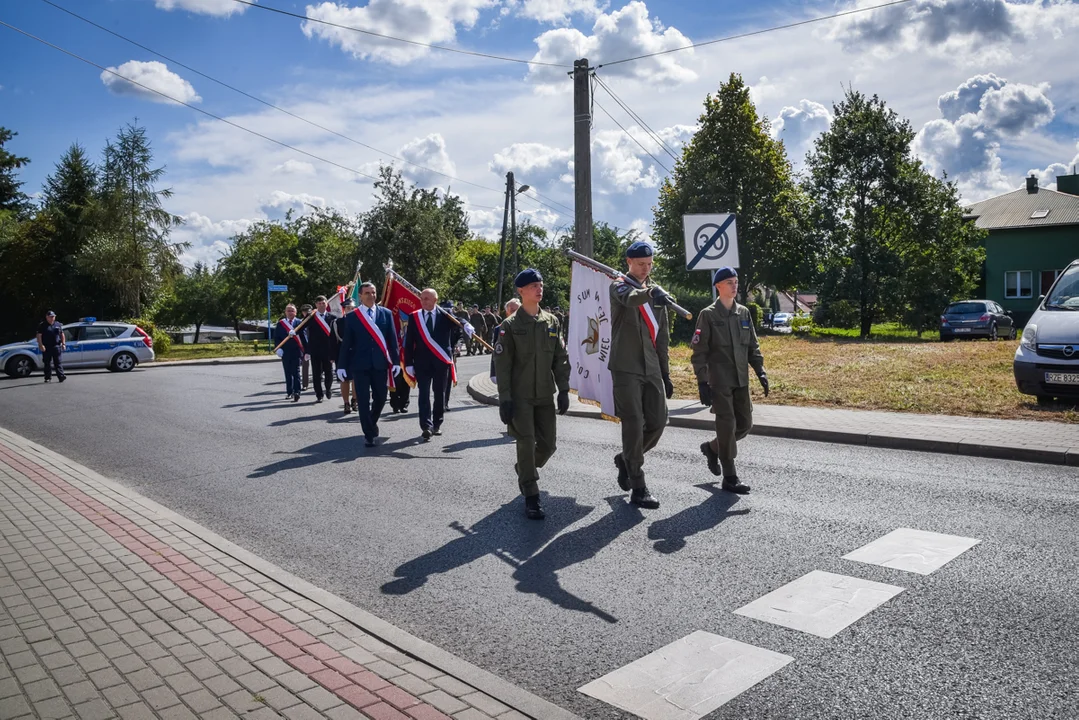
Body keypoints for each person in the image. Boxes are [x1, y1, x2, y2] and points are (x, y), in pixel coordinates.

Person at [494, 269, 570, 520]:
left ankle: (524, 468)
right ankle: (531, 494)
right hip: (520, 395)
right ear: (521, 291)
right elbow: (503, 366)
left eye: (541, 284)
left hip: (545, 394)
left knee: (548, 445)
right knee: (526, 441)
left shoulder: (552, 321)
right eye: (534, 286)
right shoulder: (510, 325)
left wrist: (564, 389)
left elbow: (560, 358)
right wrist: (504, 398)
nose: (539, 289)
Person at [691, 267, 768, 494]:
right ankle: (730, 476)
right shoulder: (708, 315)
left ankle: (712, 448)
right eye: (729, 282)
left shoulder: (743, 313)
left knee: (745, 425)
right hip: (720, 380)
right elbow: (699, 352)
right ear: (718, 286)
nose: (734, 285)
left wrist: (760, 371)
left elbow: (753, 346)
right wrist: (702, 382)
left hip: (741, 380)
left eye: (735, 281)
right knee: (726, 426)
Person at [608, 240, 672, 510]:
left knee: (658, 422)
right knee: (633, 425)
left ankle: (626, 459)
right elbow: (630, 299)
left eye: (649, 264)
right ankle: (638, 485)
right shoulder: (619, 285)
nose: (646, 269)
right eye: (641, 264)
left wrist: (666, 374)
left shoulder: (658, 295)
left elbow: (663, 339)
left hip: (652, 367)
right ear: (629, 263)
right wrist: (649, 294)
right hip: (626, 367)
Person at [336, 282, 402, 447]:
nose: (371, 296)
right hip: (360, 365)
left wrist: (395, 362)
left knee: (381, 398)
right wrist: (341, 365)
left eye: (373, 292)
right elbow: (346, 344)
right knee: (363, 400)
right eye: (367, 293)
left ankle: (371, 422)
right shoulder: (352, 317)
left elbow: (392, 340)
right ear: (360, 296)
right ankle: (368, 434)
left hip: (380, 364)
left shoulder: (386, 314)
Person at [405, 289, 464, 439]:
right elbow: (409, 341)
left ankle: (437, 424)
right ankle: (426, 425)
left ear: (435, 300)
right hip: (421, 362)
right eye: (422, 299)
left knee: (439, 394)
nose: (423, 301)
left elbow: (459, 321)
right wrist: (408, 363)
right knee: (423, 394)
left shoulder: (445, 315)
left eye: (427, 299)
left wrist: (466, 325)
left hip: (441, 361)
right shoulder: (414, 317)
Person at [303, 296, 337, 404]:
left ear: (327, 304)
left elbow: (335, 334)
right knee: (316, 373)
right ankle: (319, 394)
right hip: (315, 349)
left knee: (329, 372)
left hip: (328, 350)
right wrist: (293, 333)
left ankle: (328, 388)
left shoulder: (332, 317)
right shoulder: (311, 317)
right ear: (316, 305)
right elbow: (301, 328)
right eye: (319, 303)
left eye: (323, 303)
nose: (321, 305)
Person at [274, 303, 305, 402]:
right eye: (288, 310)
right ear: (285, 312)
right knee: (287, 372)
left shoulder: (300, 322)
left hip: (296, 351)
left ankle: (297, 392)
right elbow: (277, 338)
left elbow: (304, 336)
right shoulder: (280, 324)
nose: (290, 312)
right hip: (285, 351)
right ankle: (289, 392)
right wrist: (278, 348)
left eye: (292, 310)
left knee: (296, 372)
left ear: (295, 312)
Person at [333, 297, 357, 415]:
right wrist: (332, 356)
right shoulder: (337, 322)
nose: (351, 310)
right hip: (343, 353)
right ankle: (346, 403)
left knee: (356, 379)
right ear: (344, 309)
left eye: (353, 308)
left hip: (357, 353)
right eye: (348, 308)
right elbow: (333, 340)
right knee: (344, 380)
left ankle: (355, 400)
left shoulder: (360, 321)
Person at [490, 298, 520, 384]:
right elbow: (496, 352)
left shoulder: (529, 328)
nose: (515, 312)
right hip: (506, 370)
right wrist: (494, 372)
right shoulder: (499, 329)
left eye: (517, 310)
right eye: (512, 310)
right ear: (507, 312)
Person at [388, 312, 412, 415]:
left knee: (406, 381)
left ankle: (404, 404)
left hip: (407, 354)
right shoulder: (391, 318)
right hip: (394, 355)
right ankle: (395, 404)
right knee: (395, 380)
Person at [36, 311, 66, 383]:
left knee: (58, 362)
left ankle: (61, 376)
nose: (52, 318)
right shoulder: (42, 325)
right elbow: (39, 336)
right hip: (46, 346)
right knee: (47, 363)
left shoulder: (58, 324)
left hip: (56, 346)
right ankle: (47, 377)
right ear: (47, 317)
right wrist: (41, 345)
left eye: (53, 317)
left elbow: (62, 334)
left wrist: (63, 344)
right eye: (50, 317)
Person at [299, 304, 313, 390]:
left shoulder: (315, 320)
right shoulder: (301, 322)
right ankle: (305, 384)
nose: (306, 313)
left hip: (315, 345)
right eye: (305, 312)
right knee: (305, 366)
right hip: (305, 347)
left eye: (308, 311)